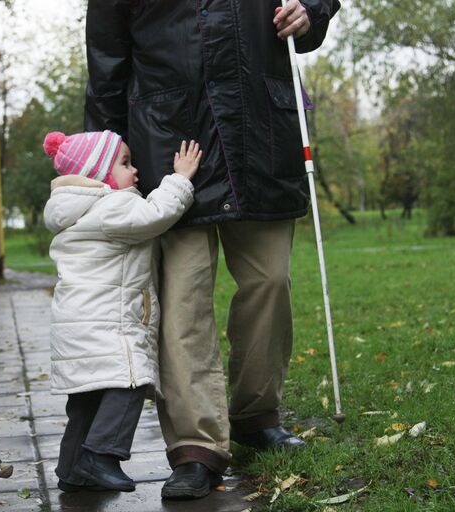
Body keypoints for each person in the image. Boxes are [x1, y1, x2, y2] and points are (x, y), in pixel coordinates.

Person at [85, 0, 342, 500]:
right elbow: (107, 64)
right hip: (170, 145)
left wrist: (312, 10)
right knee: (183, 302)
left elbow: (315, 8)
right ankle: (195, 447)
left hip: (260, 134)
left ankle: (256, 416)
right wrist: (107, 159)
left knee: (270, 281)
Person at [42, 130, 200, 492]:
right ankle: (102, 456)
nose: (135, 171)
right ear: (100, 176)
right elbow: (156, 214)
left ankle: (71, 469)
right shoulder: (111, 205)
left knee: (86, 398)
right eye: (125, 163)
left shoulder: (74, 213)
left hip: (78, 325)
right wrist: (179, 179)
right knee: (132, 381)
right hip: (109, 324)